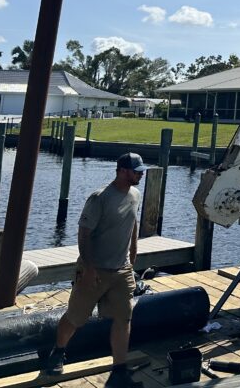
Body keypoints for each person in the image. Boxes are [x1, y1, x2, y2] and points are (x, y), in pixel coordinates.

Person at [44, 153, 148, 386]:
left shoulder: (136, 194)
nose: (141, 173)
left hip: (121, 270)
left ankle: (119, 371)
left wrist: (133, 254)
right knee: (76, 317)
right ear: (122, 171)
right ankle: (58, 352)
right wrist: (89, 268)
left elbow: (132, 223)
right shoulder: (100, 198)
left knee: (124, 317)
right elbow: (84, 233)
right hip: (95, 270)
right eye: (136, 170)